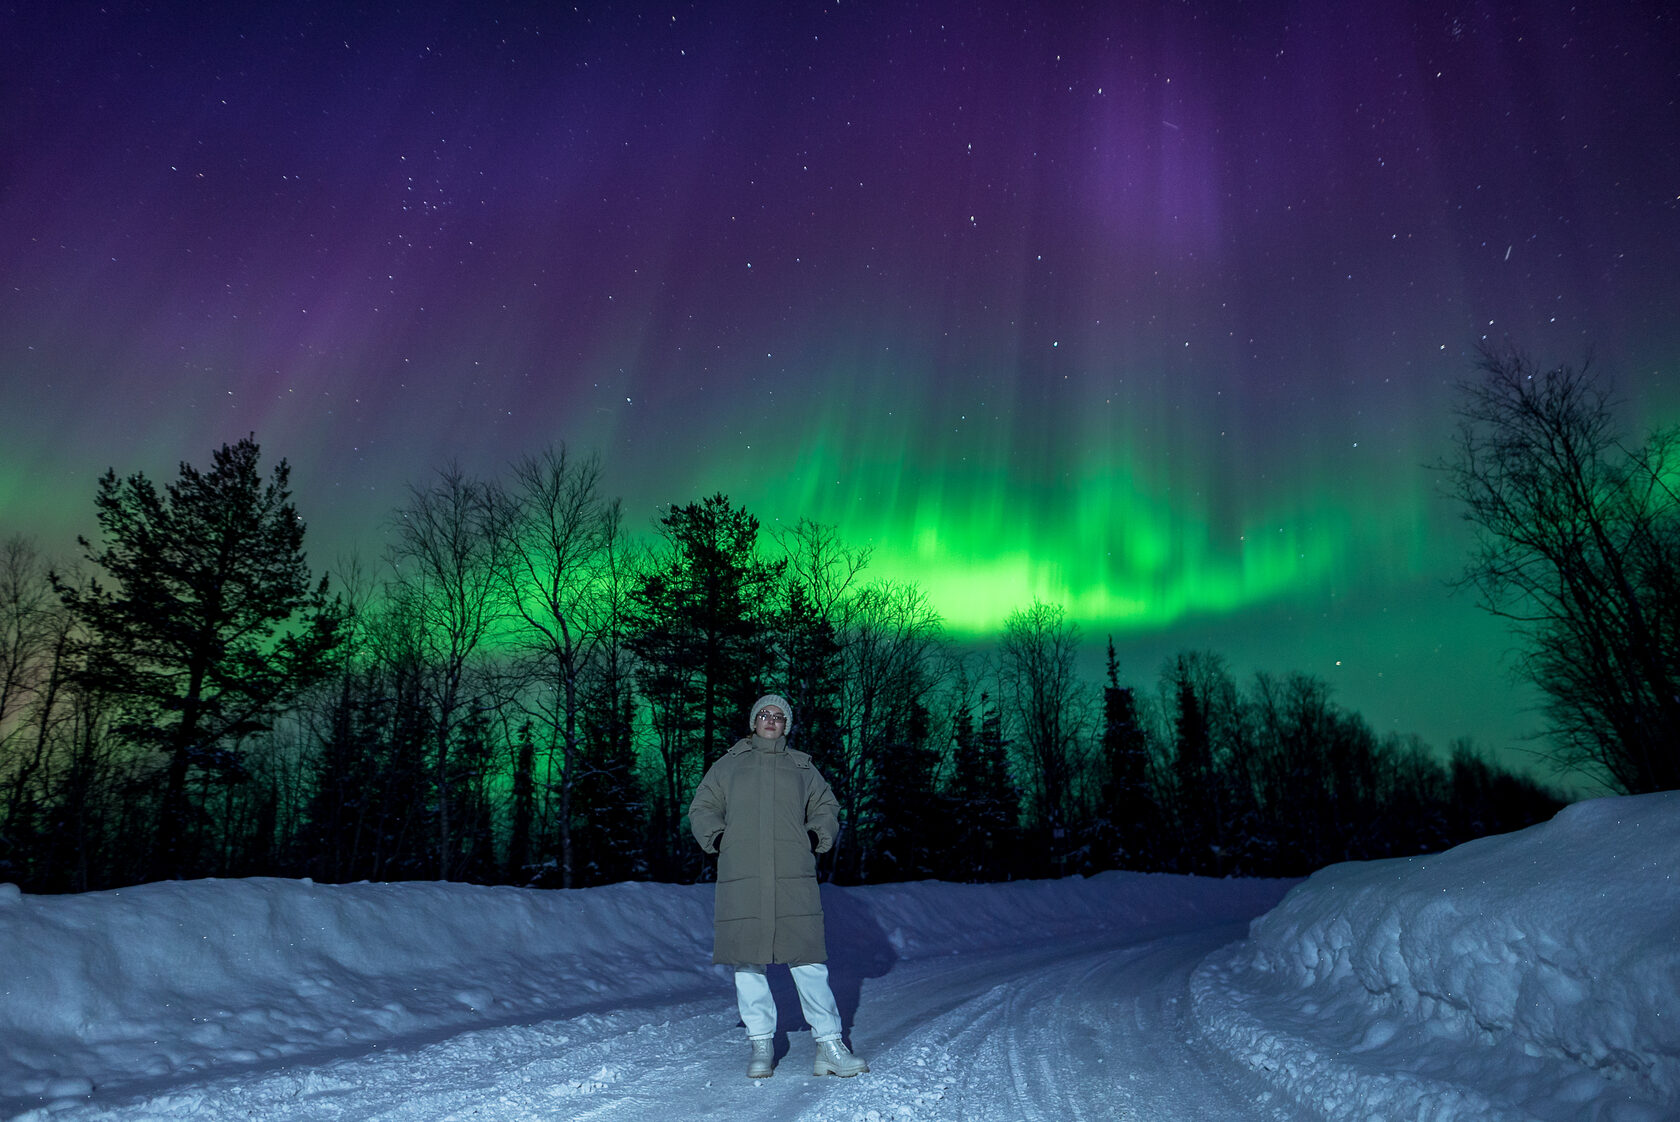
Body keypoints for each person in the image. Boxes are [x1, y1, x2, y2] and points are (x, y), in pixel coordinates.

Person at [688, 694, 869, 1079]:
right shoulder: (728, 766)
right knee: (748, 963)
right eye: (764, 714)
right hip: (744, 876)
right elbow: (702, 808)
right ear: (753, 721)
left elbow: (827, 806)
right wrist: (718, 839)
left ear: (787, 724)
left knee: (808, 962)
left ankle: (830, 1046)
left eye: (779, 716)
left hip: (792, 876)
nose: (771, 720)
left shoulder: (802, 768)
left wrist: (816, 834)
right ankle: (760, 1045)